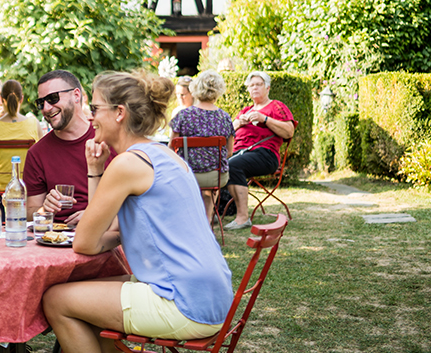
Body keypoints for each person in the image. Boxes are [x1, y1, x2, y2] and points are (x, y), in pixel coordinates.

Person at [42, 71, 233, 352]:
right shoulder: (163, 153)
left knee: (55, 300)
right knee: (89, 297)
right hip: (211, 293)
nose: (90, 116)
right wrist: (98, 176)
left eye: (95, 108)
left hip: (182, 301)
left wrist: (94, 172)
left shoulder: (127, 165)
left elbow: (85, 242)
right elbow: (105, 235)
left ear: (119, 113)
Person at [25, 70, 115, 226]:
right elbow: (29, 213)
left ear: (76, 95)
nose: (46, 108)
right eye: (41, 103)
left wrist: (94, 214)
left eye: (52, 98)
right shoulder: (37, 153)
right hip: (54, 238)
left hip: (104, 232)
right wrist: (44, 209)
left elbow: (133, 200)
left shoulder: (110, 139)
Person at [224, 71, 295, 230]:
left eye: (258, 84)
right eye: (251, 85)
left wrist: (264, 119)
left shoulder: (276, 106)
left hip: (265, 154)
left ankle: (242, 218)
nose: (254, 88)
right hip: (239, 153)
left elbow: (289, 131)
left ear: (267, 88)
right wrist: (238, 123)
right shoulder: (245, 110)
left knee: (232, 165)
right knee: (217, 165)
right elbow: (227, 132)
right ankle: (214, 212)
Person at [169, 71, 234, 223]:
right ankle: (207, 216)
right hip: (216, 177)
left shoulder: (183, 115)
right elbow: (229, 152)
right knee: (210, 190)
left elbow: (171, 148)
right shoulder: (224, 117)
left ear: (195, 88)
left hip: (187, 175)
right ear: (219, 90)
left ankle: (188, 218)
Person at [0, 80, 41, 191]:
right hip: (26, 186)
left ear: (1, 98)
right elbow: (40, 158)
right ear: (22, 99)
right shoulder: (34, 123)